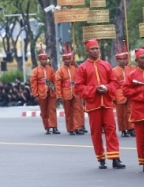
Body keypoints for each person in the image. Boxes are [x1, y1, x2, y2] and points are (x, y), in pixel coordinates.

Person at [75, 39, 125, 169]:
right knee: (96, 132)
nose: (95, 51)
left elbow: (114, 82)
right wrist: (94, 90)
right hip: (93, 105)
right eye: (92, 49)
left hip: (107, 104)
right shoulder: (82, 68)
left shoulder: (106, 65)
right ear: (87, 51)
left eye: (97, 48)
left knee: (111, 130)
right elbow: (79, 87)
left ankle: (115, 158)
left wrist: (108, 88)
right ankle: (101, 159)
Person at [123, 46, 144, 172]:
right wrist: (141, 90)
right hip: (139, 111)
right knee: (142, 139)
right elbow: (126, 91)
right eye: (142, 58)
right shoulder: (132, 75)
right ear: (137, 60)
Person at [30, 44, 59, 134]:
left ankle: (54, 127)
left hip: (51, 92)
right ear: (40, 60)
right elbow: (33, 84)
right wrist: (35, 94)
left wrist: (56, 92)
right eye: (42, 59)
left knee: (52, 109)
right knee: (44, 111)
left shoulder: (50, 69)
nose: (44, 61)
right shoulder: (35, 71)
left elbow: (54, 81)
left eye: (45, 59)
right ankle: (47, 127)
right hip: (41, 93)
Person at [55, 44, 83, 135]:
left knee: (77, 110)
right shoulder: (60, 71)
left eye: (69, 58)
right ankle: (71, 129)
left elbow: (81, 72)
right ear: (63, 60)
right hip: (66, 94)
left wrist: (74, 61)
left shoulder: (74, 68)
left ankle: (78, 127)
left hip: (75, 93)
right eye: (66, 59)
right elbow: (58, 84)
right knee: (68, 112)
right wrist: (59, 96)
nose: (67, 60)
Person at [113, 41, 135, 137]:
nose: (123, 61)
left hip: (129, 92)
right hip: (119, 93)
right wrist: (113, 96)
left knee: (130, 111)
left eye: (125, 59)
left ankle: (131, 128)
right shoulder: (113, 71)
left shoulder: (131, 68)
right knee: (121, 113)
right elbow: (113, 84)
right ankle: (123, 130)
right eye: (121, 59)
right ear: (118, 61)